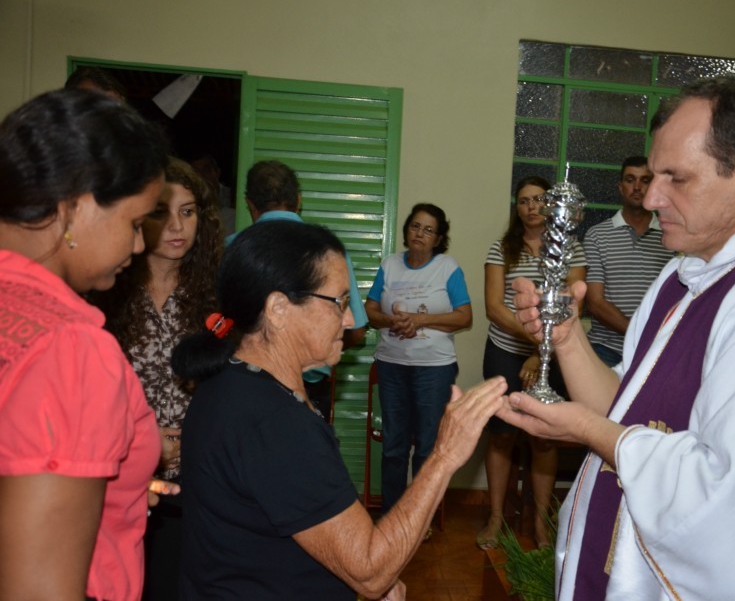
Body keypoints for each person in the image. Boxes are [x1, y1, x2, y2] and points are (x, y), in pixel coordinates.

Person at [498, 77, 735, 599]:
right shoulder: (687, 274)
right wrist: (565, 338)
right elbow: (628, 406)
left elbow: (730, 497)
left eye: (677, 178)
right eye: (653, 176)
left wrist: (587, 431)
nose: (651, 197)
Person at [172, 220, 507, 599]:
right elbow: (370, 569)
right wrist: (445, 456)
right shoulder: (271, 421)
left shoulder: (233, 382)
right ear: (279, 308)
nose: (349, 321)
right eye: (340, 302)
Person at [0, 89, 169, 600]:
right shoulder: (68, 348)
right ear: (77, 204)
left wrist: (114, 488)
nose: (140, 246)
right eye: (136, 223)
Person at [91, 156, 222, 600]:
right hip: (121, 471)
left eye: (187, 212)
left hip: (195, 474)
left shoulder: (215, 298)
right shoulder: (108, 291)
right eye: (161, 213)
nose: (176, 227)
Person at [478, 175, 587, 549]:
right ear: (517, 207)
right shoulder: (501, 249)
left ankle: (540, 524)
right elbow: (494, 307)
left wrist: (539, 352)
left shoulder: (570, 248)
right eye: (523, 201)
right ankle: (495, 517)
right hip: (503, 351)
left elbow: (572, 306)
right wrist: (533, 341)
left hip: (552, 357)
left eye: (538, 199)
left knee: (543, 438)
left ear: (550, 204)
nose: (531, 207)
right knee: (502, 434)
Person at [229, 159, 368, 418]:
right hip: (309, 386)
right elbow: (356, 331)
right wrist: (315, 350)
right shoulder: (328, 252)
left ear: (249, 203)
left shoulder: (230, 249)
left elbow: (215, 325)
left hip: (242, 386)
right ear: (299, 200)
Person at [364, 203, 472, 514]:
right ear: (406, 229)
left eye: (428, 230)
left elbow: (465, 317)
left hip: (434, 369)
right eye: (415, 226)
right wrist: (392, 321)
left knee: (426, 444)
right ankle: (391, 512)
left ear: (438, 238)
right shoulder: (390, 264)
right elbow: (371, 311)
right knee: (394, 443)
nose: (419, 233)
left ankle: (417, 516)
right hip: (391, 364)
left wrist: (419, 320)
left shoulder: (447, 267)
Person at [583, 156, 674, 366]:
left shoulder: (671, 236)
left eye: (645, 180)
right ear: (621, 187)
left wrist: (650, 338)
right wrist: (638, 333)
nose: (637, 187)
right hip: (606, 348)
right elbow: (595, 303)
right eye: (630, 180)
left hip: (656, 348)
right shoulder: (597, 235)